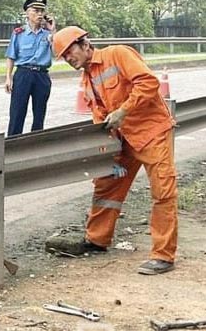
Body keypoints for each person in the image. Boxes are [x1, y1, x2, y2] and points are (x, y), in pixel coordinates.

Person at [49, 26, 178, 275]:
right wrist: (106, 153)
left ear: (85, 44)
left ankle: (163, 255)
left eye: (69, 52)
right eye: (63, 57)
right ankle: (97, 239)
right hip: (122, 142)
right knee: (107, 184)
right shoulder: (86, 80)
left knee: (163, 191)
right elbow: (100, 118)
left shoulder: (117, 55)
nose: (68, 59)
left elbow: (148, 83)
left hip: (151, 134)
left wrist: (124, 110)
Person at [5, 0, 55, 136]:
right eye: (35, 11)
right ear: (27, 13)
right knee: (17, 112)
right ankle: (13, 144)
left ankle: (35, 145)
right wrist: (8, 77)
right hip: (23, 74)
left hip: (41, 75)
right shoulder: (19, 33)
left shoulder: (48, 34)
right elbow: (11, 56)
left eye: (41, 11)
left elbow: (58, 52)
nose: (39, 14)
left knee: (39, 114)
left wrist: (53, 30)